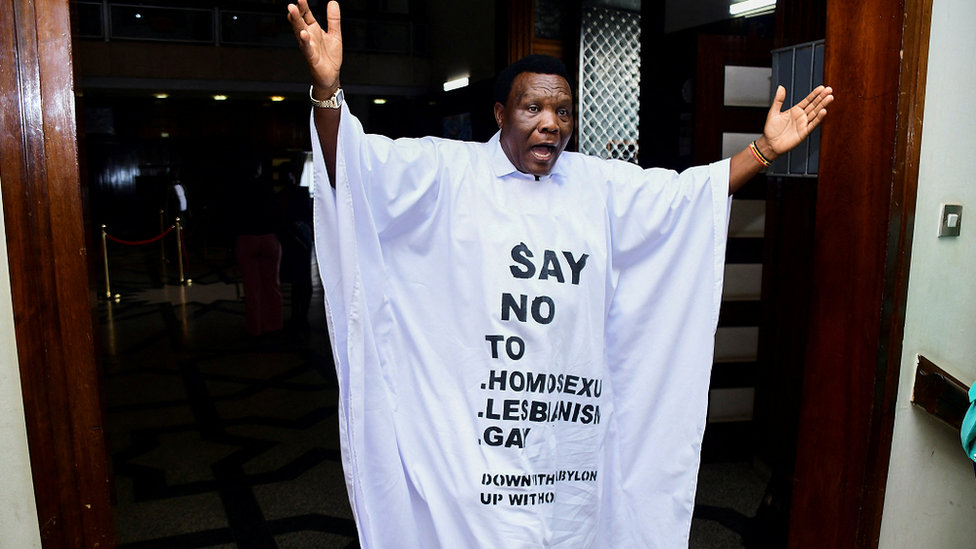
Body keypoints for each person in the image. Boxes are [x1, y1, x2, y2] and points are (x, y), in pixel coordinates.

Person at [288, 1, 832, 548]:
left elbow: (686, 198)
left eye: (564, 112)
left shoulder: (599, 184)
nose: (551, 123)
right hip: (473, 445)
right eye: (533, 109)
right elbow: (352, 169)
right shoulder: (447, 173)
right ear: (501, 115)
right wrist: (328, 93)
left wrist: (762, 150)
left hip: (567, 446)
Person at [234, 158, 283, 338]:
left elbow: (232, 218)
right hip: (268, 237)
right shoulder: (266, 187)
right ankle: (274, 325)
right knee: (272, 285)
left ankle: (255, 328)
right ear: (259, 169)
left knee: (252, 288)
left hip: (246, 238)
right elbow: (276, 214)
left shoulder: (237, 190)